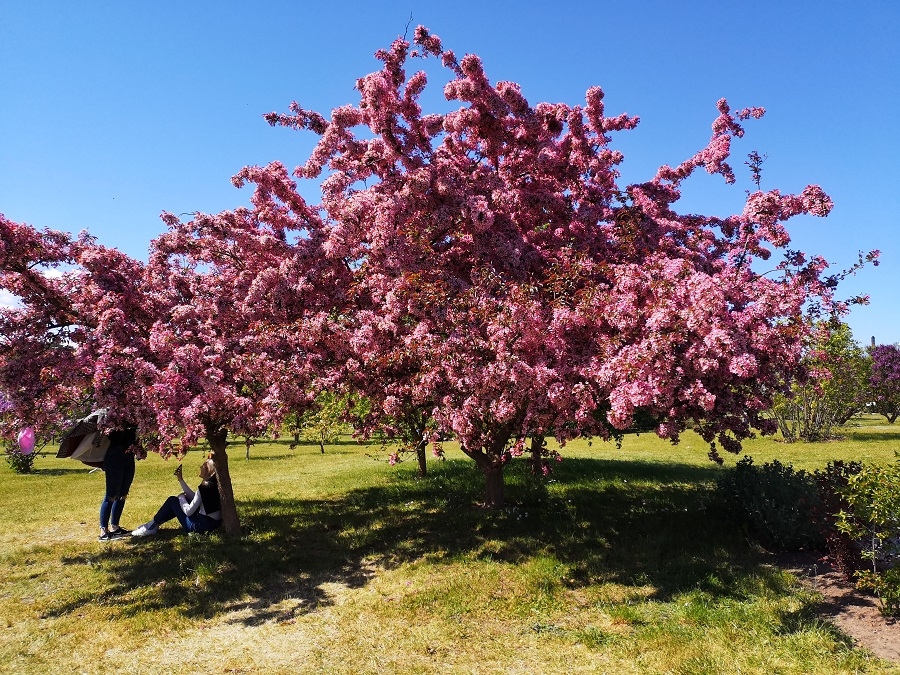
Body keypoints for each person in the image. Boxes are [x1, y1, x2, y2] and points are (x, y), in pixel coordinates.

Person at [132, 458, 223, 537]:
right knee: (181, 501)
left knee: (172, 501)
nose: (200, 467)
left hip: (199, 527)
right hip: (213, 524)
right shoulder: (213, 484)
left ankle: (151, 526)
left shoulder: (204, 487)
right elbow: (195, 497)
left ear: (207, 469)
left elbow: (189, 512)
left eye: (202, 466)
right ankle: (153, 524)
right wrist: (180, 479)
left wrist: (181, 498)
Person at [98, 426, 138, 542]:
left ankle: (115, 527)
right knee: (111, 495)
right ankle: (103, 531)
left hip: (128, 456)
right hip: (114, 456)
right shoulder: (111, 419)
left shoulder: (133, 419)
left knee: (123, 494)